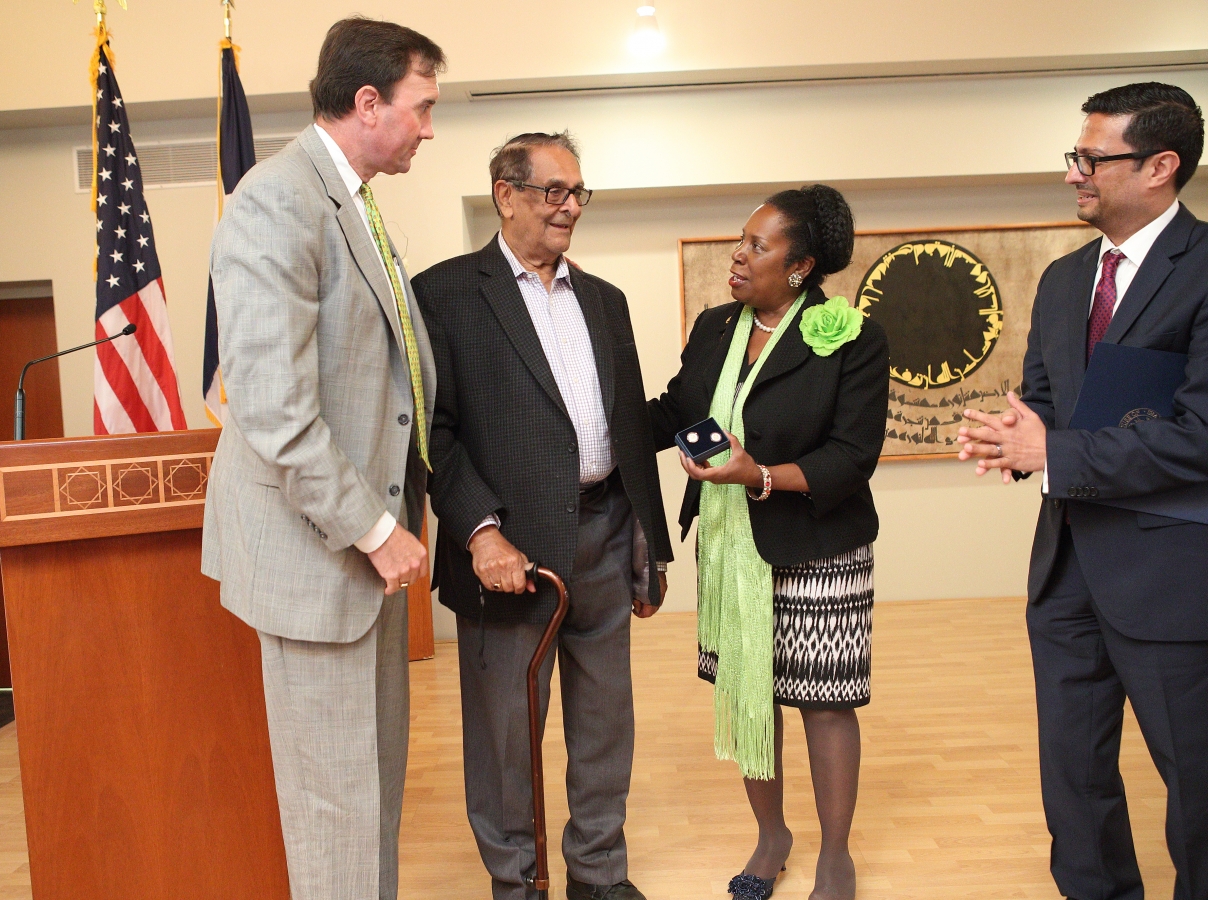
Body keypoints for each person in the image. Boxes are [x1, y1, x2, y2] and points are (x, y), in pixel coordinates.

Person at [200, 17, 443, 900]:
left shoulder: (353, 200)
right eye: (422, 107)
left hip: (360, 559)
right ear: (368, 101)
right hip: (322, 555)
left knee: (367, 794)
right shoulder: (278, 199)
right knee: (332, 804)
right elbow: (274, 409)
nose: (427, 127)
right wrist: (378, 529)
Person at [958, 82, 1208, 900]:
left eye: (1093, 158)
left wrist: (1056, 450)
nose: (1075, 174)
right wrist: (1013, 441)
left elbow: (1201, 434)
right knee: (1075, 785)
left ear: (1161, 167)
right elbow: (1046, 404)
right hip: (1066, 569)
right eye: (1077, 156)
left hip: (1172, 580)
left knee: (1196, 791)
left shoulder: (1204, 270)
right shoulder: (1066, 280)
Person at [412, 132, 672, 900]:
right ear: (506, 194)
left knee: (605, 730)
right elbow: (434, 432)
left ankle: (598, 876)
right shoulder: (447, 294)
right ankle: (517, 883)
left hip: (602, 539)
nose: (569, 208)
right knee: (506, 744)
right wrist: (481, 531)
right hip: (510, 557)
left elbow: (623, 428)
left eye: (577, 193)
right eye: (554, 191)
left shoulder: (604, 300)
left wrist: (644, 540)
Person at [649, 186, 888, 900]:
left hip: (819, 545)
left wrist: (760, 475)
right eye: (740, 239)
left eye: (758, 245)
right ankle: (772, 837)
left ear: (801, 265)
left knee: (823, 700)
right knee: (750, 691)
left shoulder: (850, 335)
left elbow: (852, 456)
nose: (738, 253)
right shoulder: (716, 325)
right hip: (730, 546)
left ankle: (836, 853)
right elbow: (671, 411)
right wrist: (588, 432)